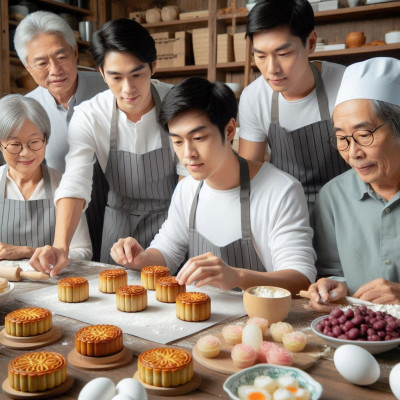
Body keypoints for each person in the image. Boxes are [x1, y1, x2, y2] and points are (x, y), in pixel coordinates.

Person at [110, 77, 316, 296]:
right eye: (178, 142)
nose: (188, 154)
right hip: (201, 319)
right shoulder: (187, 189)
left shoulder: (281, 190)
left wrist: (236, 276)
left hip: (262, 321)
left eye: (198, 138)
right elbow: (167, 251)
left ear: (229, 131)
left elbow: (301, 278)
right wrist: (141, 258)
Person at [29, 18, 186, 276]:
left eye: (137, 74)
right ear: (102, 73)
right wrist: (61, 246)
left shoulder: (177, 103)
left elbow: (188, 181)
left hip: (173, 219)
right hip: (118, 227)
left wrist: (170, 239)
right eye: (116, 77)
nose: (128, 89)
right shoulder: (90, 115)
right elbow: (75, 181)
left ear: (153, 67)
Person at [14, 11, 108, 261]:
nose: (55, 70)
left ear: (75, 52)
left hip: (117, 213)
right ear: (27, 66)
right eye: (42, 63)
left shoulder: (112, 88)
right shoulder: (27, 110)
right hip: (65, 223)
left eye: (61, 56)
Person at [306, 57, 400, 310]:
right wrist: (333, 286)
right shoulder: (333, 196)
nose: (353, 152)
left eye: (364, 135)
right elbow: (333, 270)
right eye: (342, 138)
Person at [238, 0, 349, 209]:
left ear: (311, 43)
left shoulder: (347, 85)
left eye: (283, 54)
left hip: (346, 207)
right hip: (288, 208)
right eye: (260, 56)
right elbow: (250, 173)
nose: (272, 69)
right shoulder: (253, 97)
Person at [0, 94, 91, 261]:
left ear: (45, 138)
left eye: (34, 142)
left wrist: (28, 251)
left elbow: (83, 251)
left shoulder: (64, 185)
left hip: (53, 282)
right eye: (14, 144)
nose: (26, 153)